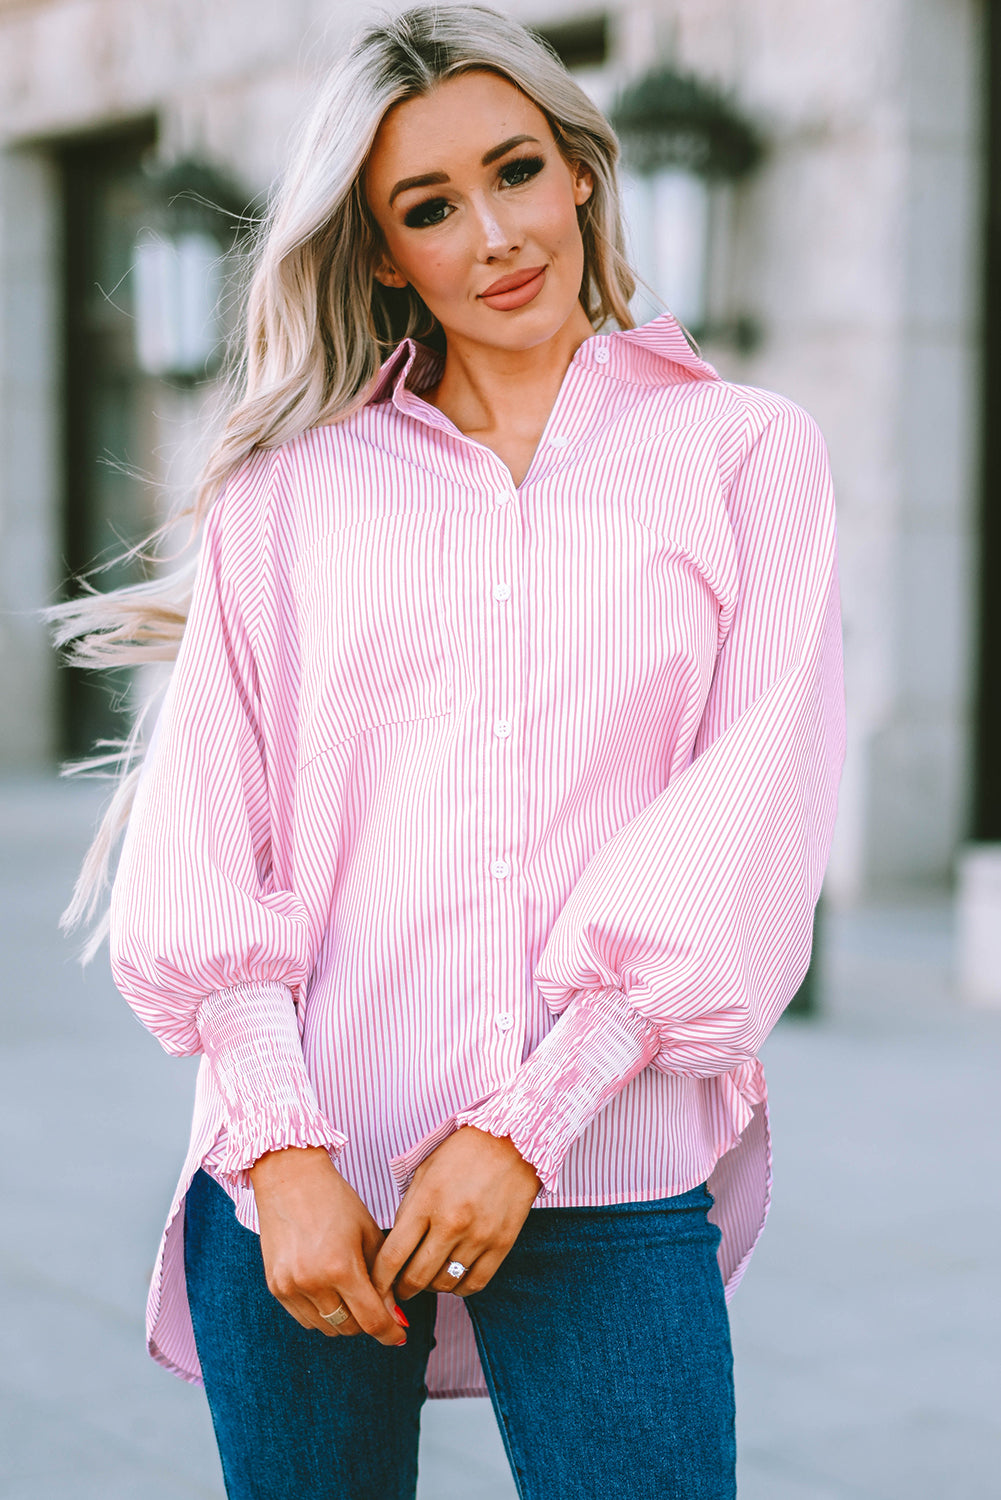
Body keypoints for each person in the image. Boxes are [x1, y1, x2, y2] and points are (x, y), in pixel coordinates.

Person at [57, 6, 845, 1497]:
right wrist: (278, 1150)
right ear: (374, 250)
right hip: (304, 1185)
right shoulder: (286, 492)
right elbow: (210, 840)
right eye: (429, 206)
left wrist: (525, 1126)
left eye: (517, 171)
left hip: (602, 1171)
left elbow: (749, 813)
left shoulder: (744, 454)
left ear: (581, 177)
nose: (494, 233)